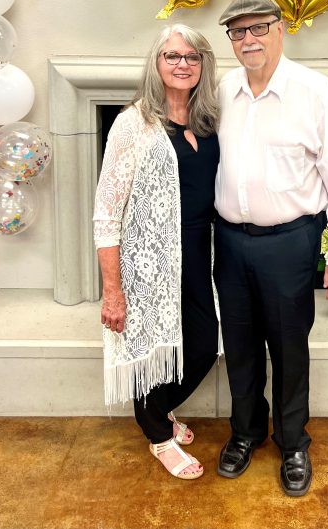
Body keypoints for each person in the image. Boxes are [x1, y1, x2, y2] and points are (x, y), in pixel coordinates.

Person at [213, 0, 328, 497]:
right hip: (230, 241)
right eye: (238, 32)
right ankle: (246, 431)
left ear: (282, 29)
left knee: (287, 346)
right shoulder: (222, 89)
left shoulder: (313, 91)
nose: (249, 39)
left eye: (259, 27)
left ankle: (293, 440)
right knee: (238, 345)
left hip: (289, 242)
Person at [93, 24, 220, 481]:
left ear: (203, 65)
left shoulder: (209, 121)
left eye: (191, 56)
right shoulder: (134, 123)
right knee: (150, 350)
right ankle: (158, 437)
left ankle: (160, 411)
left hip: (197, 251)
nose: (182, 64)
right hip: (148, 257)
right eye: (172, 56)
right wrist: (114, 291)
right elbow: (107, 211)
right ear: (157, 63)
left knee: (203, 343)